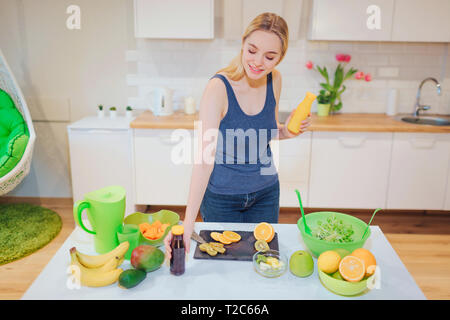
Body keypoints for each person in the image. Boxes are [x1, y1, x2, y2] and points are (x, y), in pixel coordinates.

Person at [164, 12, 312, 259]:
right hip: (222, 197)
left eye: (270, 56)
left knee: (263, 262)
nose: (257, 62)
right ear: (243, 43)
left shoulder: (274, 79)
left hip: (266, 192)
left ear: (280, 57)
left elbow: (265, 132)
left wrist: (287, 130)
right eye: (252, 50)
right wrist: (187, 222)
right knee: (224, 265)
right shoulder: (218, 88)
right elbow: (204, 159)